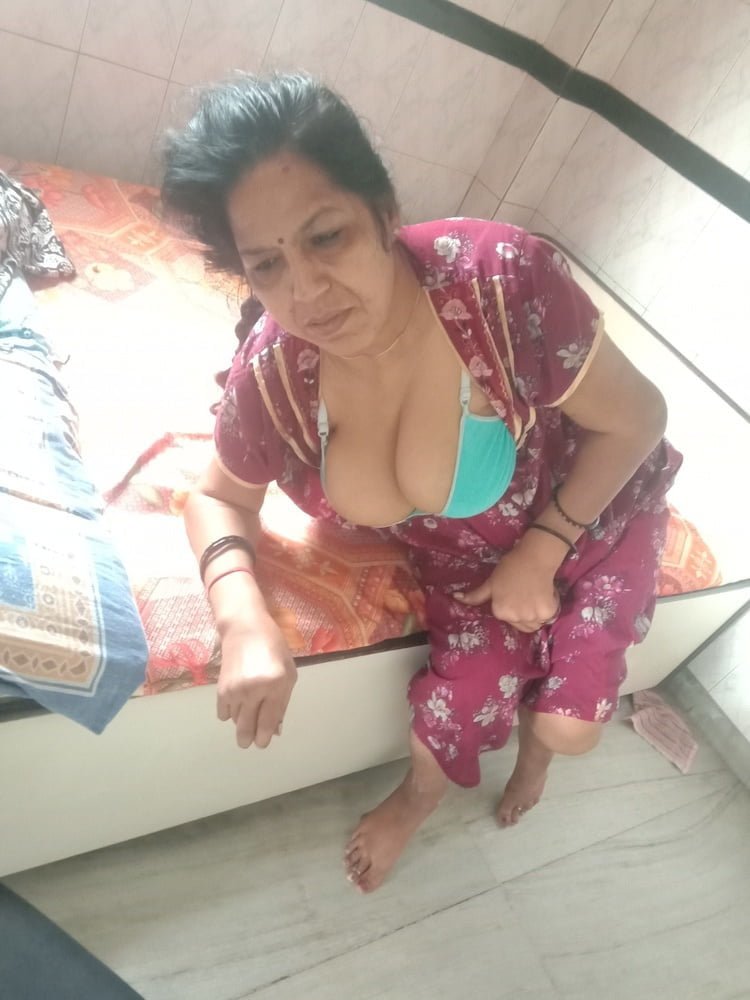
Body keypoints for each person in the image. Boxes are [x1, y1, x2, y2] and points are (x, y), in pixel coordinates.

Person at [162, 72, 681, 894]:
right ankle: (418, 798)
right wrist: (242, 619)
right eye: (267, 264)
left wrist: (544, 547)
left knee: (568, 728)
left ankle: (537, 759)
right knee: (457, 707)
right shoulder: (278, 375)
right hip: (465, 570)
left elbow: (640, 417)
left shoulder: (503, 287)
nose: (306, 292)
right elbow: (219, 494)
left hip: (594, 504)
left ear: (383, 210)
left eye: (326, 236)